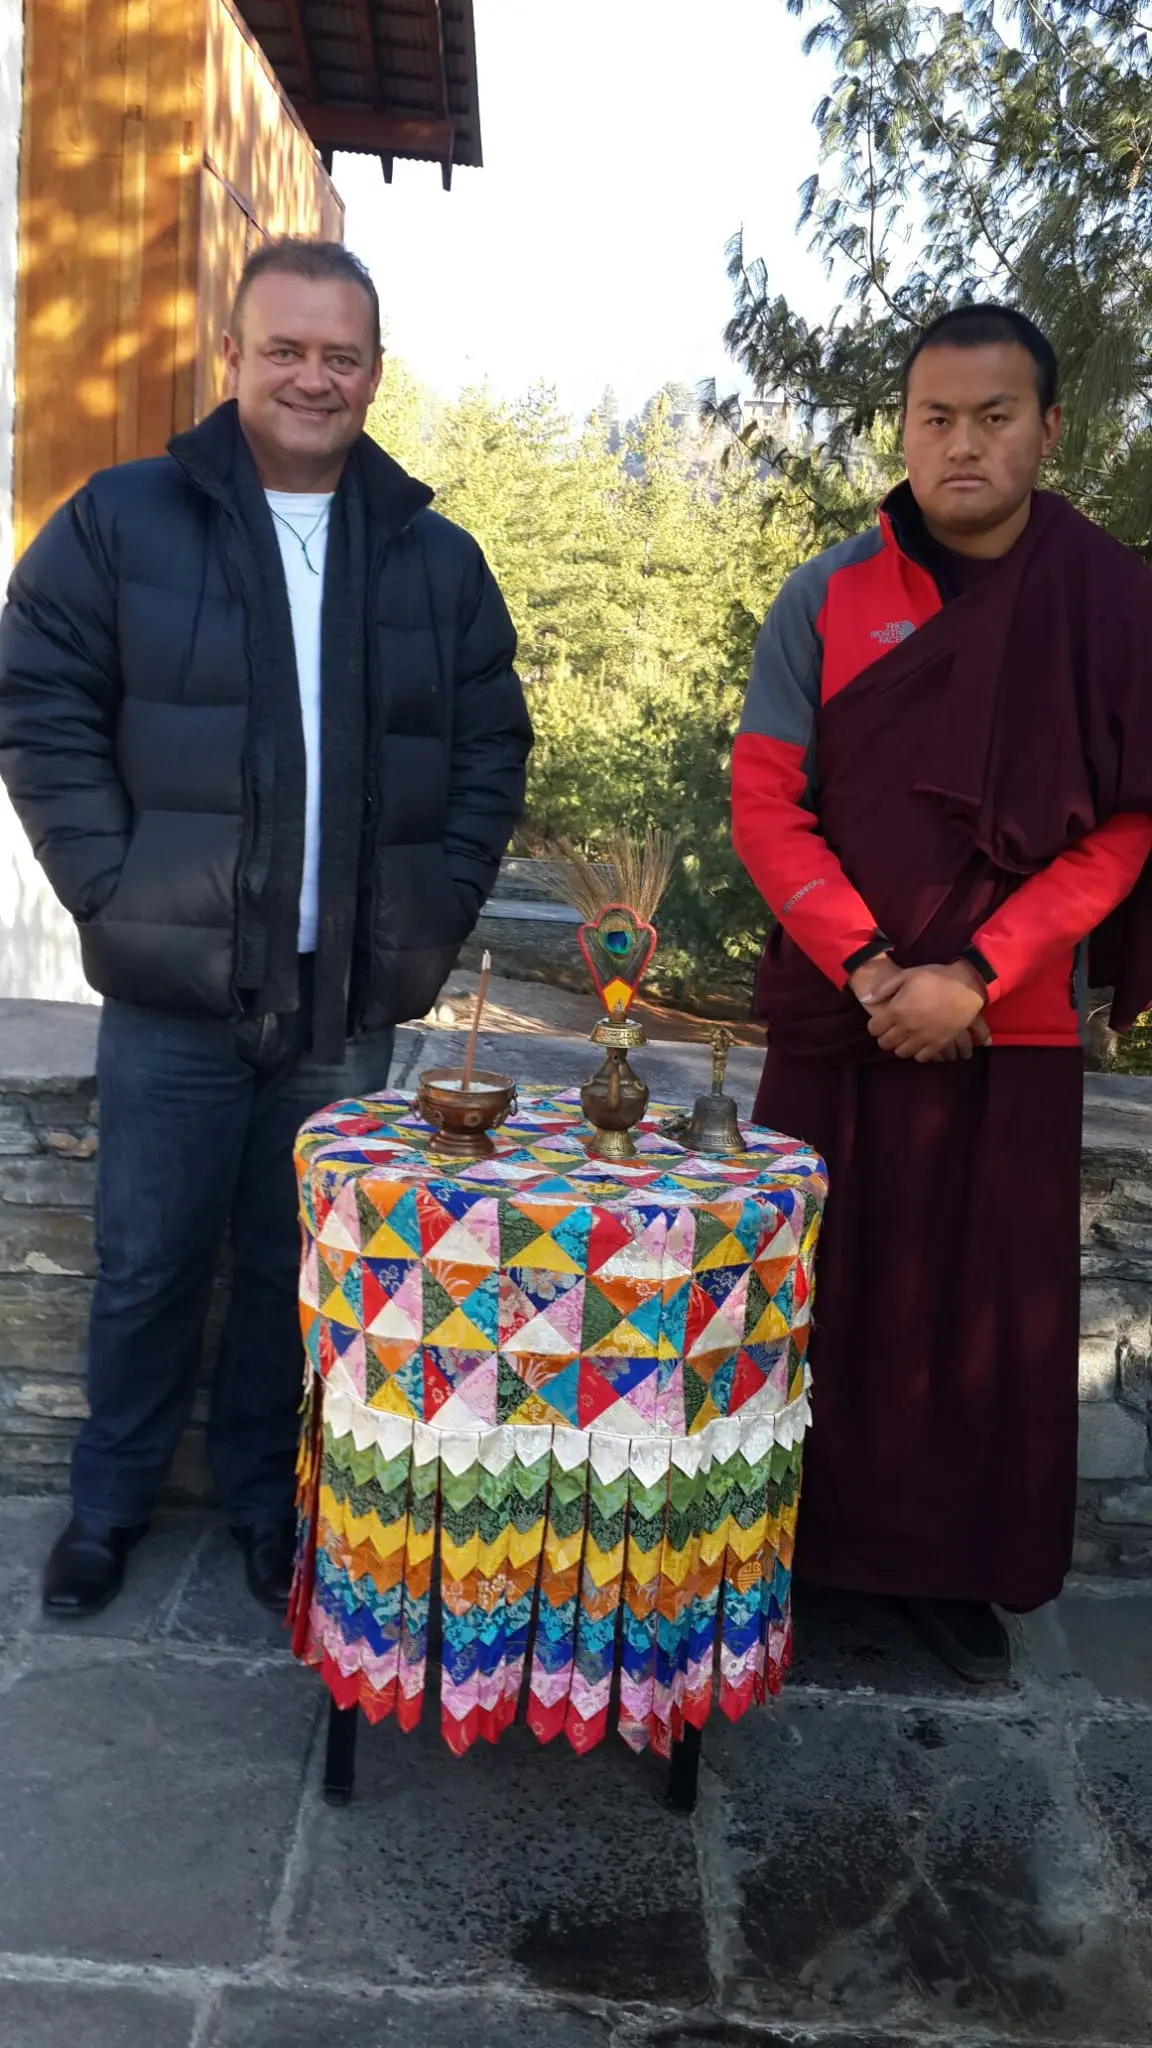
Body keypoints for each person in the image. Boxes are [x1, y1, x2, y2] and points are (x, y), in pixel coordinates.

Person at [0, 237, 532, 1620]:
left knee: (298, 1279)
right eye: (284, 347)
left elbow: (487, 748)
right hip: (176, 994)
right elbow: (38, 701)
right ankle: (107, 1510)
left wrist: (430, 918)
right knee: (147, 1268)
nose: (312, 375)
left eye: (340, 355)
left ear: (372, 372)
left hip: (341, 1004)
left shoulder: (433, 557)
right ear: (230, 355)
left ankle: (264, 1506)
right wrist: (111, 886)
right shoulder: (121, 521)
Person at [732, 305, 1152, 1681]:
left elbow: (1129, 829)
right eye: (935, 417)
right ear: (902, 427)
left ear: (1049, 428)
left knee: (980, 1312)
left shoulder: (1110, 605)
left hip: (1010, 1023)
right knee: (814, 1294)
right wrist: (867, 965)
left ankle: (954, 1580)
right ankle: (788, 1558)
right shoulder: (830, 594)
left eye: (994, 416)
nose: (962, 443)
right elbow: (767, 804)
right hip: (838, 1013)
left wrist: (975, 974)